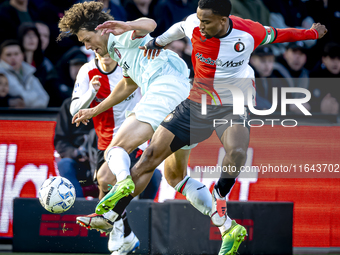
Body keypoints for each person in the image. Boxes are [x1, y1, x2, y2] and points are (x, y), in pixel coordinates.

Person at [76, 0, 327, 254]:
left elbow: (280, 34)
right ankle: (225, 227)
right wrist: (158, 42)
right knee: (161, 166)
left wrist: (313, 33)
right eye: (199, 19)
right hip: (196, 102)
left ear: (223, 20)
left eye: (206, 21)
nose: (201, 26)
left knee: (237, 153)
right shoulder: (192, 24)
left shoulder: (249, 32)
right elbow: (174, 30)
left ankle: (219, 196)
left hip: (231, 100)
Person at [57, 3, 194, 253]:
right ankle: (224, 222)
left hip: (165, 89)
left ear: (101, 30)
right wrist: (95, 110)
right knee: (161, 172)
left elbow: (150, 25)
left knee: (115, 151)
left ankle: (122, 190)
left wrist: (128, 25)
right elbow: (128, 84)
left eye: (87, 39)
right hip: (184, 100)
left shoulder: (120, 33)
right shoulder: (118, 53)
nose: (87, 46)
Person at [54, 97, 98, 198]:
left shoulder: (108, 102)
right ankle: (76, 206)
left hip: (103, 159)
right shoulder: (69, 104)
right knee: (65, 165)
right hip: (79, 161)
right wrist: (75, 152)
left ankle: (110, 210)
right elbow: (60, 140)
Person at [0, 40, 49, 108]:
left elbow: (44, 98)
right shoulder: (1, 74)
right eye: (8, 55)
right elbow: (19, 94)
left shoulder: (29, 72)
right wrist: (34, 96)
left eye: (16, 54)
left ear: (22, 55)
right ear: (1, 57)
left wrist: (25, 102)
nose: (13, 58)